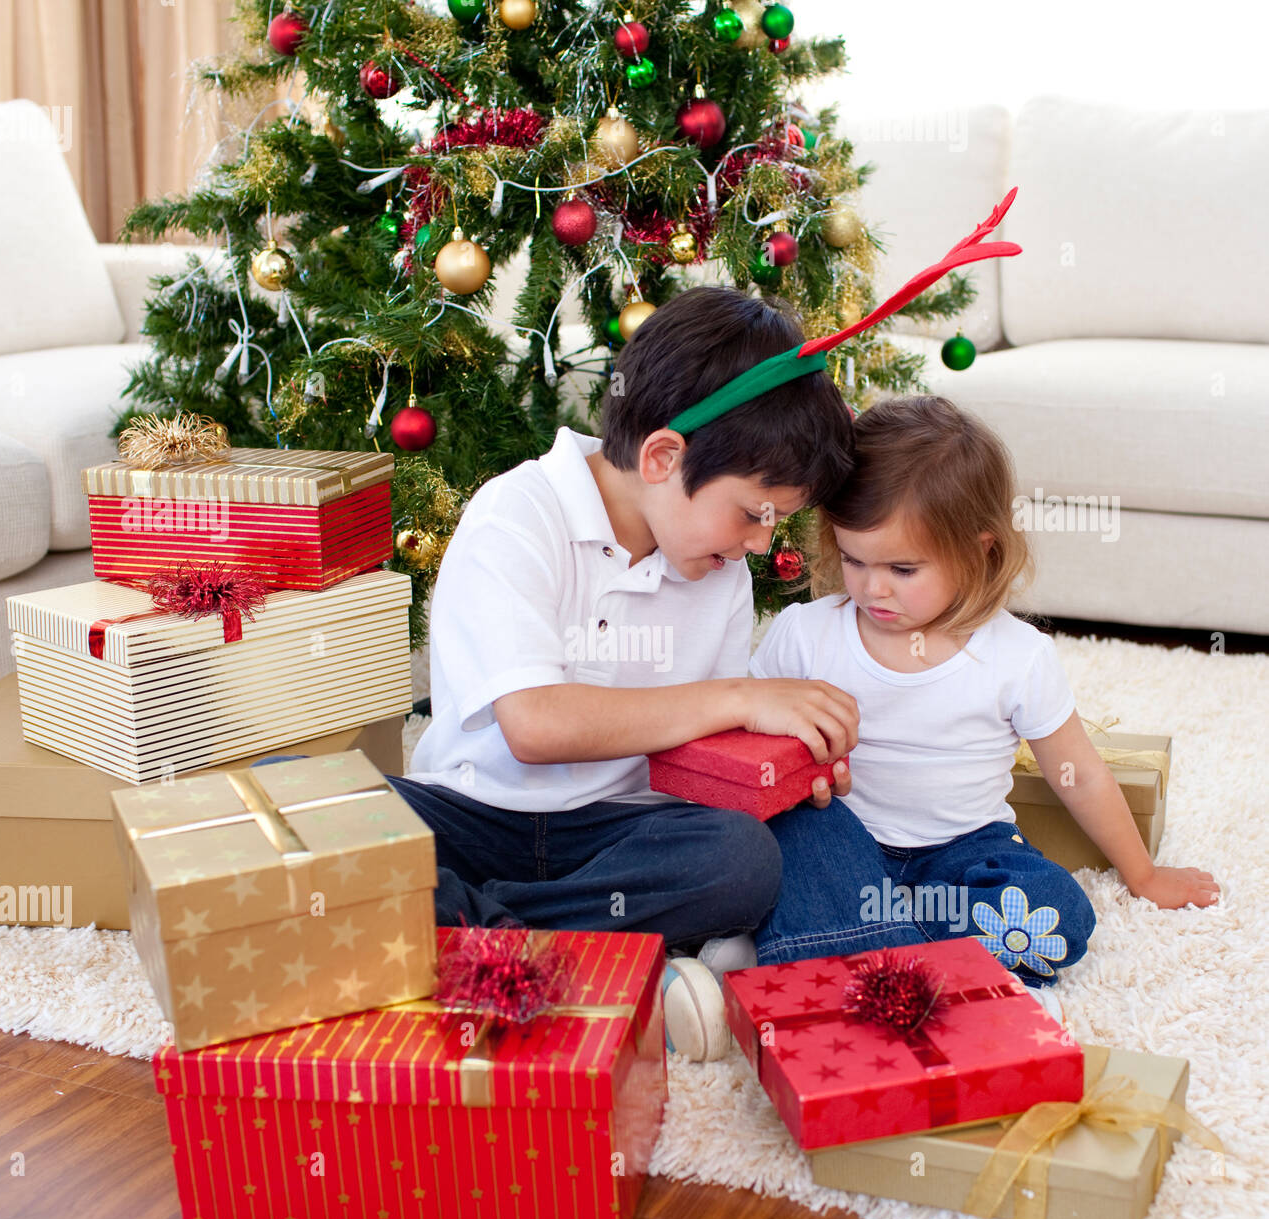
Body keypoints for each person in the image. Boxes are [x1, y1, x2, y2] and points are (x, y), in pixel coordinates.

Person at [391, 286, 859, 1058]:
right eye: (753, 512)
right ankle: (598, 958)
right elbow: (536, 726)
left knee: (741, 859)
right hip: (471, 813)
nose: (755, 542)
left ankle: (488, 939)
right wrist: (739, 696)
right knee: (326, 817)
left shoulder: (720, 575)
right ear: (664, 457)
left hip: (611, 834)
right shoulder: (516, 515)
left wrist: (773, 774)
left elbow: (690, 754)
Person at [750, 393, 1221, 1020]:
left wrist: (1143, 874)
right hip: (845, 838)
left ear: (979, 551)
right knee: (787, 843)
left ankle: (858, 946)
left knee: (1061, 909)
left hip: (966, 851)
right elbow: (745, 743)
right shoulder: (805, 632)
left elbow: (1076, 771)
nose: (872, 586)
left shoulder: (1017, 656)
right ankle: (909, 954)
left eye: (903, 568)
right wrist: (795, 772)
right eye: (855, 560)